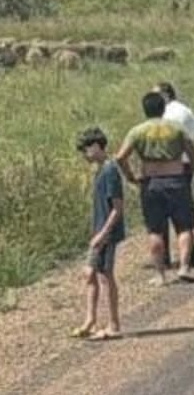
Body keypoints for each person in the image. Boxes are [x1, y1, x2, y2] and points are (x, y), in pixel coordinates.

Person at [115, 92, 194, 286]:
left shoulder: (137, 131)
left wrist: (131, 177)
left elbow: (121, 157)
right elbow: (193, 155)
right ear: (163, 108)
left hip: (151, 182)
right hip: (177, 180)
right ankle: (184, 267)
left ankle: (160, 275)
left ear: (144, 109)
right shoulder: (177, 129)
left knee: (155, 230)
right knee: (184, 227)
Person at [72, 127, 126, 341]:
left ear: (96, 146)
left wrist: (103, 234)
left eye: (86, 149)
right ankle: (90, 320)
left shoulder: (110, 170)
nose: (85, 155)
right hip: (98, 231)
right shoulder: (101, 170)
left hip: (106, 233)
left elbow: (117, 208)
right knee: (90, 274)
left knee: (105, 276)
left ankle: (114, 325)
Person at [155, 81, 194, 270]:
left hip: (166, 167)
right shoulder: (186, 110)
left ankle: (165, 257)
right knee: (182, 214)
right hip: (185, 166)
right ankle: (191, 255)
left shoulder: (165, 115)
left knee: (162, 214)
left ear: (165, 95)